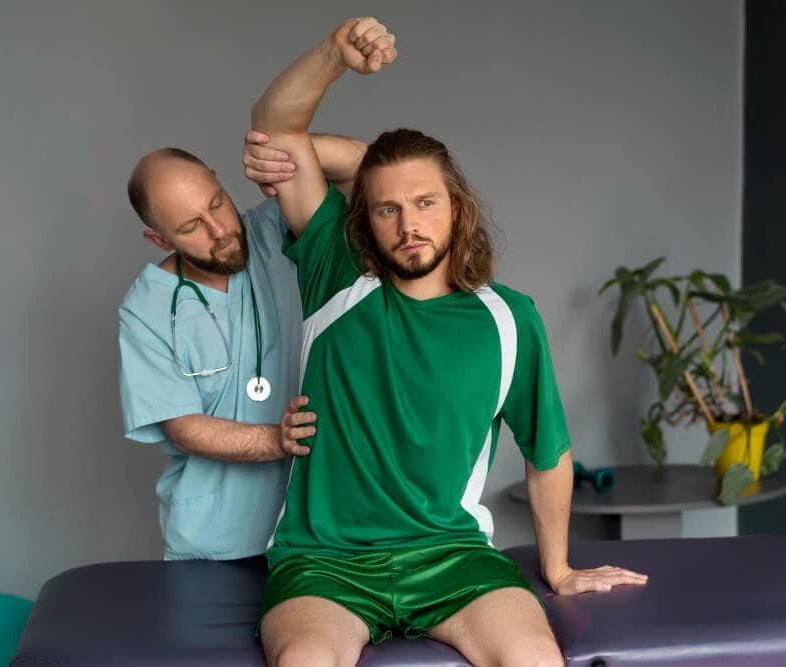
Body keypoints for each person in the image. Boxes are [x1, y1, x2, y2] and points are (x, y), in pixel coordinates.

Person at [245, 16, 649, 665]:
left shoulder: (509, 318)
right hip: (326, 561)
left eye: (426, 203)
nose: (409, 224)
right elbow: (276, 131)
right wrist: (334, 55)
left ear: (456, 208)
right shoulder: (334, 276)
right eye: (388, 209)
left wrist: (560, 567)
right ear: (366, 221)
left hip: (452, 558)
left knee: (536, 659)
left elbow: (548, 453)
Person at [118, 134, 365, 561]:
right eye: (191, 227)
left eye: (216, 204)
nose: (219, 231)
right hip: (217, 541)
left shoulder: (279, 229)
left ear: (218, 181)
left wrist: (285, 151)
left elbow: (367, 173)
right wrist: (278, 440)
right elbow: (184, 428)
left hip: (318, 532)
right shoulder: (145, 309)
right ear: (159, 239)